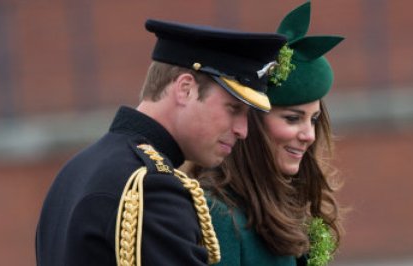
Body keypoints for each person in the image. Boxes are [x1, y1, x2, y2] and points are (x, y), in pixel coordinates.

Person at [35, 18, 286, 266]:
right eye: (233, 109)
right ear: (185, 89)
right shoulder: (151, 188)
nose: (243, 130)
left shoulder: (76, 169)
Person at [191, 2, 345, 265]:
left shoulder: (292, 206)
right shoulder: (218, 214)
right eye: (293, 118)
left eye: (314, 120)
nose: (309, 135)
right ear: (250, 122)